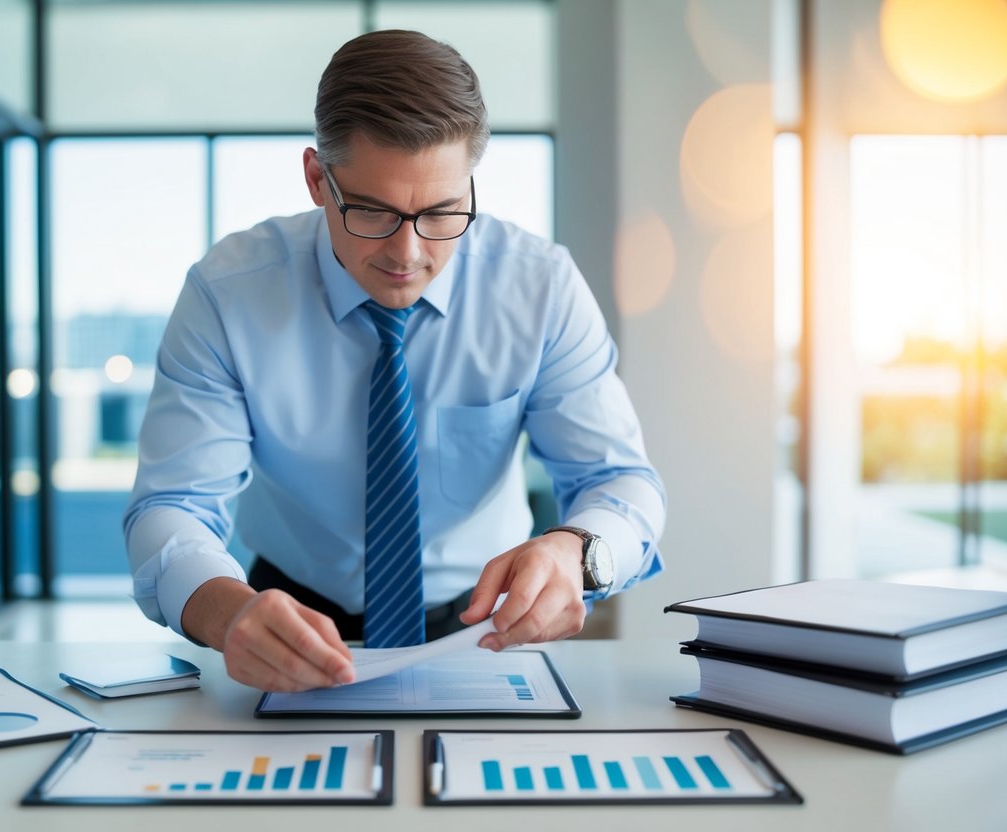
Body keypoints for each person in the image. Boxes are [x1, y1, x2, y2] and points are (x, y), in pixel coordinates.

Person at [124, 29, 666, 693]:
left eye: (441, 212)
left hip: (485, 627)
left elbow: (620, 482)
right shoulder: (229, 294)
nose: (408, 253)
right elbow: (173, 504)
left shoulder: (539, 288)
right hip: (280, 620)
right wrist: (225, 612)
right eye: (374, 213)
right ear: (317, 180)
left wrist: (576, 553)